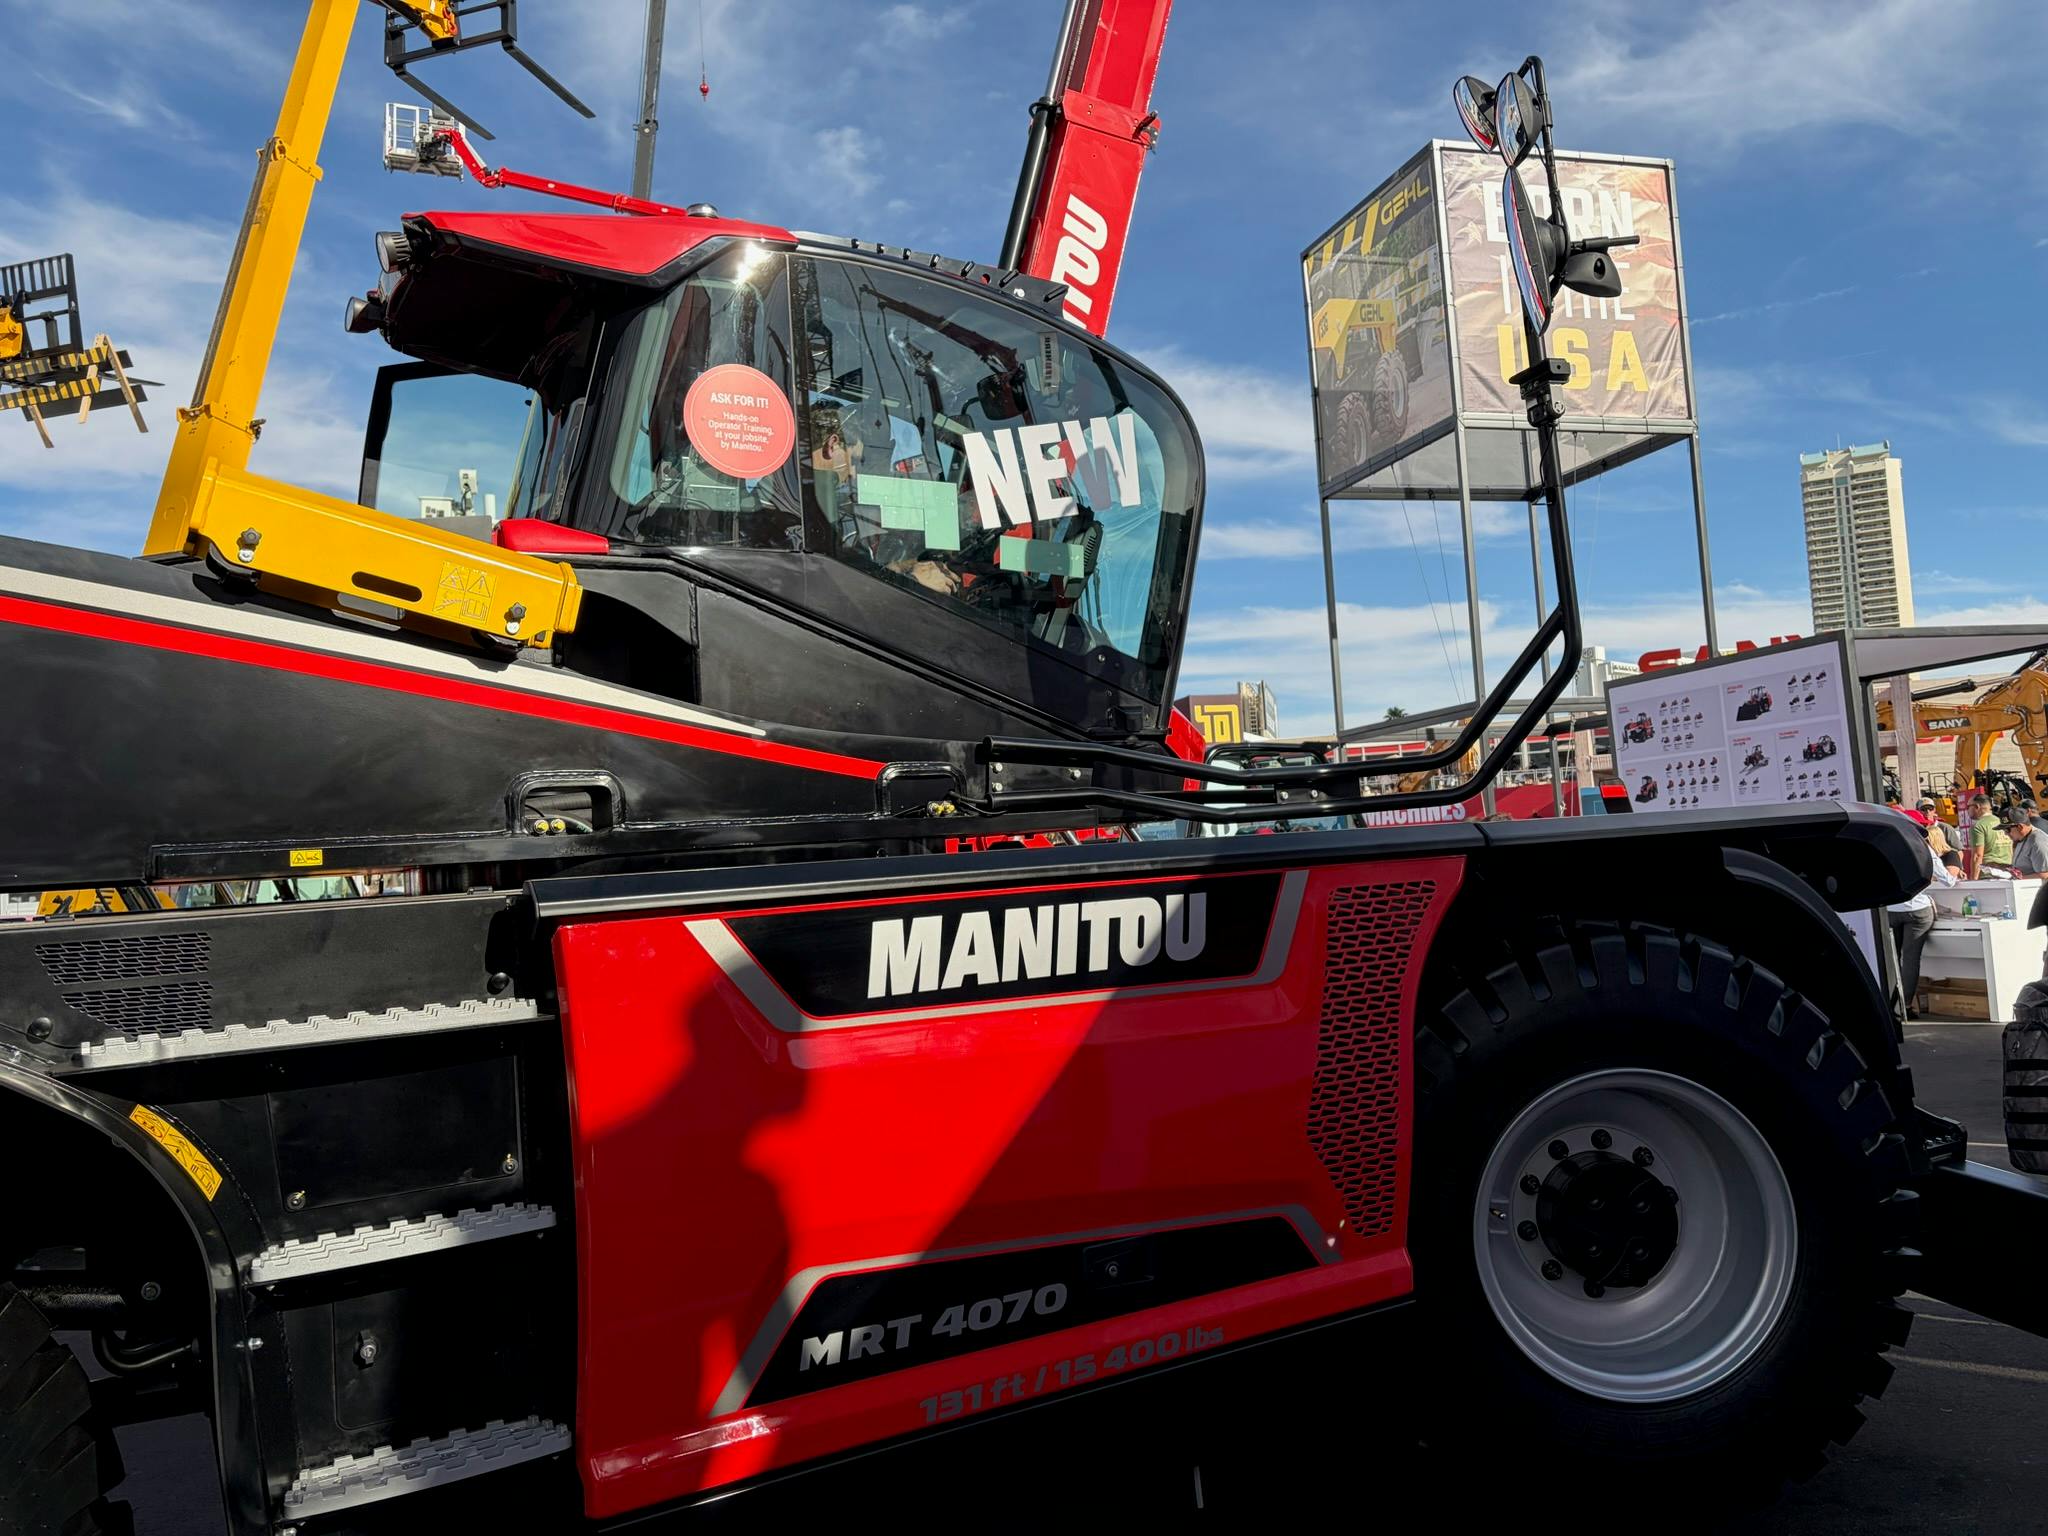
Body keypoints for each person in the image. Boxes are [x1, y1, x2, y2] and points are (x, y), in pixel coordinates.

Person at [1888, 826, 1957, 1022]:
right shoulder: (1925, 851)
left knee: (1891, 959)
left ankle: (1888, 1003)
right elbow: (1949, 881)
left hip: (1891, 909)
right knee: (1910, 959)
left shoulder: (1888, 849)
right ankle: (1905, 1006)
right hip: (1918, 909)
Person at [1967, 793, 2013, 877]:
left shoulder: (1978, 826)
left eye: (1968, 807)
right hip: (2007, 871)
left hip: (1987, 874)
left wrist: (1973, 879)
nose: (1967, 810)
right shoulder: (2002, 822)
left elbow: (1977, 856)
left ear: (1977, 806)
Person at [2007, 812, 2048, 878]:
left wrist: (2016, 879)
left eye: (2007, 830)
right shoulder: (2021, 838)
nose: (2005, 833)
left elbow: (2044, 875)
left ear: (2020, 827)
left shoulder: (2038, 841)